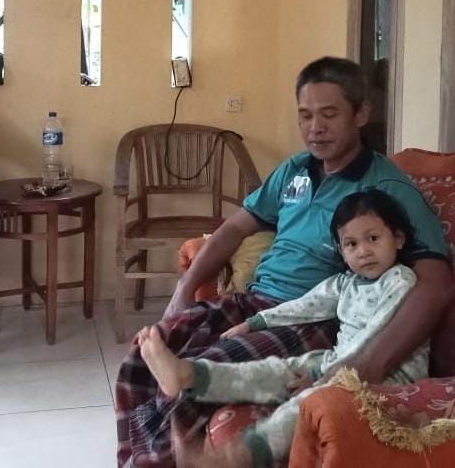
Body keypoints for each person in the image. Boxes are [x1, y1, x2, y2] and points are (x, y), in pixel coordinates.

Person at [116, 57, 452, 467]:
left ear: (361, 113)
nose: (315, 127)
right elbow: (233, 229)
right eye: (305, 116)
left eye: (329, 114)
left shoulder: (386, 188)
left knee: (202, 371)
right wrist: (183, 292)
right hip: (255, 302)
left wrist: (371, 363)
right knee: (141, 356)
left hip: (312, 318)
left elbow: (436, 283)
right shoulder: (294, 170)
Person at [138, 189, 429, 467]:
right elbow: (304, 306)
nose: (363, 251)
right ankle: (189, 375)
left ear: (398, 239)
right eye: (351, 244)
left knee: (307, 403)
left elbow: (373, 338)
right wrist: (254, 322)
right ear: (341, 251)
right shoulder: (346, 283)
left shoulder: (400, 280)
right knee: (273, 369)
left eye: (373, 239)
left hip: (386, 376)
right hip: (337, 362)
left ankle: (238, 456)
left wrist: (321, 375)